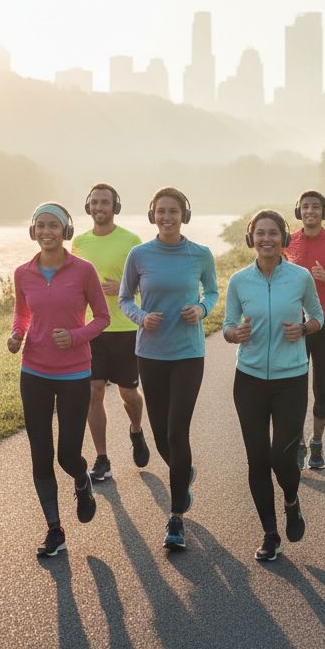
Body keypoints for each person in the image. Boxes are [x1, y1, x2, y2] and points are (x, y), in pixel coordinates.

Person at [119, 187, 219, 552]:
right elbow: (124, 298)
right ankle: (183, 471)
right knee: (160, 434)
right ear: (152, 215)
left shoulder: (200, 254)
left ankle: (175, 517)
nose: (167, 217)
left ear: (184, 214)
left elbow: (212, 291)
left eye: (173, 211)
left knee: (178, 430)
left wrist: (202, 310)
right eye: (160, 211)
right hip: (151, 352)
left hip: (188, 353)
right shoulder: (139, 255)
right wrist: (142, 317)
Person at [9, 203, 110, 557]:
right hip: (33, 370)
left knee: (68, 454)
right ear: (33, 231)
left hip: (74, 372)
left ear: (65, 231)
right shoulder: (23, 273)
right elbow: (22, 314)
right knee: (41, 454)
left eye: (54, 225)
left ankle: (82, 483)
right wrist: (16, 335)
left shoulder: (83, 270)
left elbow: (102, 317)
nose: (47, 231)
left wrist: (77, 335)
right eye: (41, 225)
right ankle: (54, 528)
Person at [224, 210, 323, 561]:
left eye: (273, 233)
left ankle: (291, 501)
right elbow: (227, 325)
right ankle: (270, 533)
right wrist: (234, 334)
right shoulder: (238, 280)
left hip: (291, 379)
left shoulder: (299, 278)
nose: (266, 239)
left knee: (281, 454)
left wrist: (304, 328)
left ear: (284, 238)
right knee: (256, 459)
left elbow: (317, 316)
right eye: (260, 233)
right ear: (251, 238)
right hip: (249, 379)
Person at [71, 183, 151, 481]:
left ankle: (136, 429)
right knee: (94, 391)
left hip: (126, 329)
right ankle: (102, 458)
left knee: (130, 394)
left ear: (114, 207)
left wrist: (124, 288)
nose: (99, 207)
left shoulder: (131, 241)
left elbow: (148, 283)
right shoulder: (79, 242)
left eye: (105, 202)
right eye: (94, 202)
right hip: (92, 330)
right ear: (88, 206)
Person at [284, 189, 325, 470]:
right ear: (299, 211)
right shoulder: (288, 242)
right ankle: (297, 442)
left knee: (321, 386)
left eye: (316, 207)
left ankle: (317, 442)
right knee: (294, 386)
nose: (310, 211)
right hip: (293, 324)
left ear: (324, 211)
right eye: (305, 207)